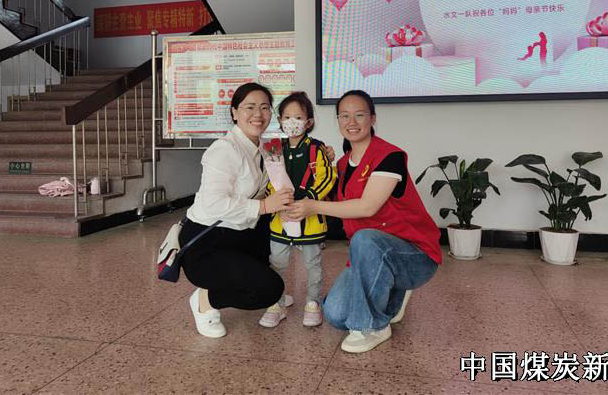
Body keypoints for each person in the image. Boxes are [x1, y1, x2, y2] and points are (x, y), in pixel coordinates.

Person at [286, 90, 442, 353]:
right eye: (344, 116)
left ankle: (371, 327)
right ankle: (393, 295)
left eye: (359, 115)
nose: (352, 122)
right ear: (338, 120)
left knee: (366, 237)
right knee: (335, 314)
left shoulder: (389, 156)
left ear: (372, 118)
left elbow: (367, 207)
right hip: (367, 256)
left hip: (414, 254)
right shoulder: (342, 165)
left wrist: (312, 206)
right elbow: (333, 203)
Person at [179, 82, 293, 338]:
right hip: (208, 241)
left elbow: (286, 174)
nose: (258, 114)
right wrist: (264, 206)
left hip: (243, 234)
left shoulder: (268, 147)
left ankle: (253, 277)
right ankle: (205, 300)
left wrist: (323, 154)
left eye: (265, 107)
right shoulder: (224, 150)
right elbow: (214, 203)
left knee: (271, 251)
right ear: (234, 112)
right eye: (249, 107)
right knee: (268, 290)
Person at [258, 92, 336, 329]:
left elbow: (327, 177)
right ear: (280, 120)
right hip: (279, 219)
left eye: (298, 117)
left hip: (310, 218)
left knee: (313, 264)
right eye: (287, 117)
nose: (292, 122)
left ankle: (313, 303)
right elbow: (268, 180)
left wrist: (309, 198)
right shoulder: (274, 148)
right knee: (277, 263)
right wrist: (277, 200)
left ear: (308, 122)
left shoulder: (317, 148)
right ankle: (276, 304)